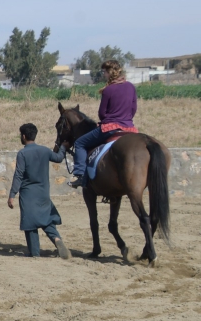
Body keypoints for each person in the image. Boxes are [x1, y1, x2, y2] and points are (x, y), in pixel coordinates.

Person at [69, 60, 138, 188]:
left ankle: (79, 175)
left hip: (110, 128)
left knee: (80, 143)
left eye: (104, 72)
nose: (103, 75)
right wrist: (125, 119)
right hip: (130, 128)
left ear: (109, 72)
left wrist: (109, 119)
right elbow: (133, 109)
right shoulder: (131, 86)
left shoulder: (108, 90)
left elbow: (102, 113)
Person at [8, 123, 71, 258]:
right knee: (46, 219)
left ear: (24, 136)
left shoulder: (23, 153)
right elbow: (58, 158)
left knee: (30, 222)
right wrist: (63, 147)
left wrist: (12, 194)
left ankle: (34, 252)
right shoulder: (45, 150)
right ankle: (57, 239)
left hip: (28, 194)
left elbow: (18, 175)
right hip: (43, 193)